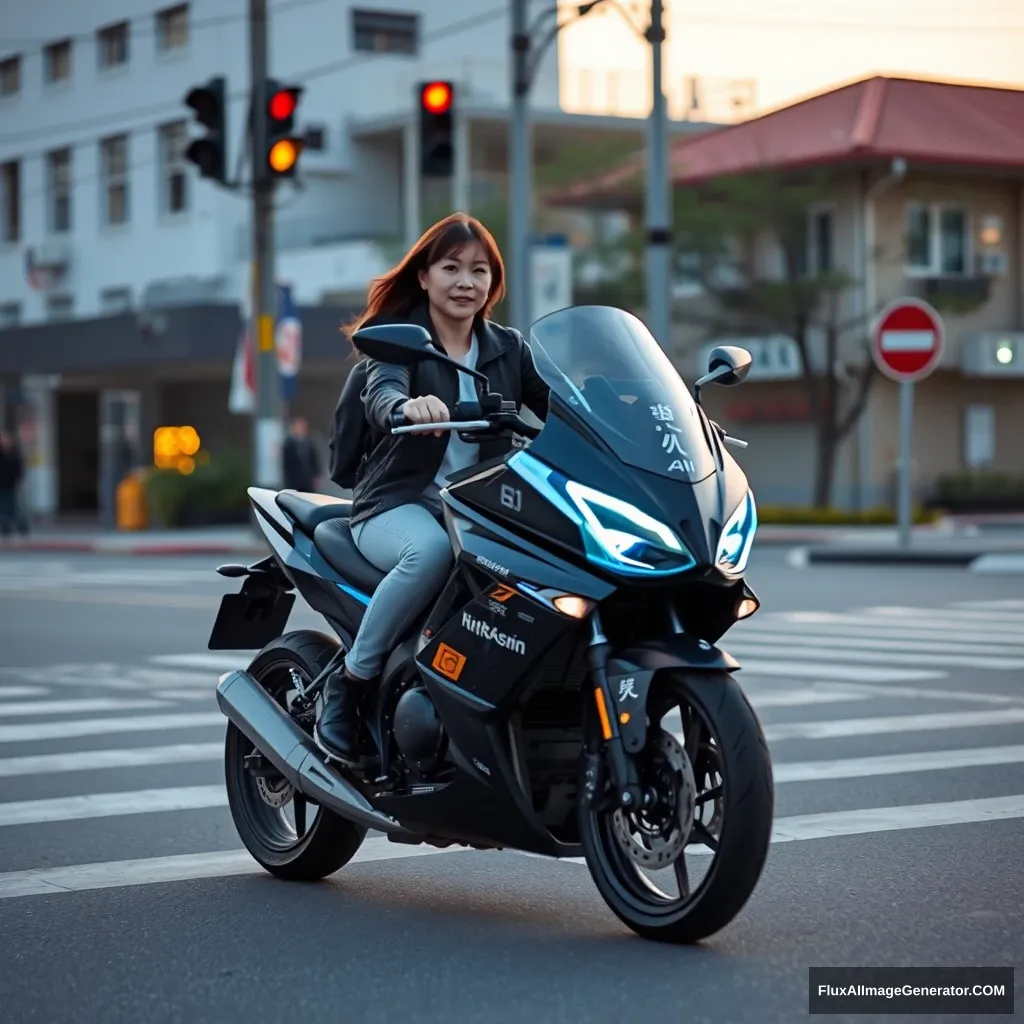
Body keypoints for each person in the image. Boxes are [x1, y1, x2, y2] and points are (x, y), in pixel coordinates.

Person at [315, 212, 550, 765]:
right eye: (451, 267)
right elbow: (382, 393)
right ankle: (348, 682)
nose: (466, 282)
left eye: (479, 270)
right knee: (431, 554)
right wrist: (405, 408)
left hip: (483, 507)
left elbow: (559, 405)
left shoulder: (508, 349)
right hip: (397, 505)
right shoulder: (401, 346)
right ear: (423, 276)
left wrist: (628, 412)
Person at [282, 415, 321, 493]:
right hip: (294, 479)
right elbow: (286, 463)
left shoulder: (310, 442)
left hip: (307, 479)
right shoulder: (289, 443)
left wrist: (316, 476)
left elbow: (315, 460)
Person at [0, 430, 25, 541]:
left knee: (12, 506)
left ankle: (20, 527)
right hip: (2, 483)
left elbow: (18, 468)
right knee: (4, 507)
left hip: (11, 483)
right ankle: (6, 528)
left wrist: (20, 480)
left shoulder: (14, 453)